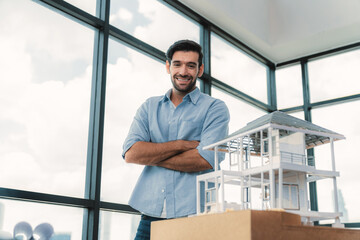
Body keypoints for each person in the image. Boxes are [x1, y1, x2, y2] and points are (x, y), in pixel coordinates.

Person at [122, 39, 230, 239]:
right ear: (168, 66)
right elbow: (132, 154)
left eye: (191, 65)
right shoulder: (149, 107)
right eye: (177, 64)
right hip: (150, 217)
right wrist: (181, 145)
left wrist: (152, 155)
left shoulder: (215, 108)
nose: (183, 71)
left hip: (194, 216)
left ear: (200, 70)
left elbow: (204, 160)